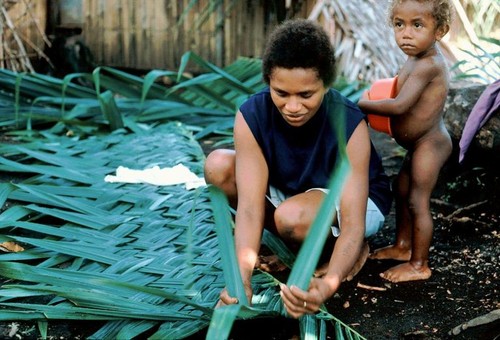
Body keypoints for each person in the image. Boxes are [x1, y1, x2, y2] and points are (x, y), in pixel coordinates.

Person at [204, 18, 392, 318]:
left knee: (291, 217)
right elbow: (251, 207)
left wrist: (327, 285)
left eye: (306, 95)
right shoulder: (252, 115)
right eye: (281, 93)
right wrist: (240, 280)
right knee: (218, 166)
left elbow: (354, 222)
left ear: (326, 85)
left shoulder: (349, 121)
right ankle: (290, 243)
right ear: (268, 82)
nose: (293, 106)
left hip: (355, 201)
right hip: (294, 191)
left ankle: (345, 254)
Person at [358, 0, 453, 283]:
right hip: (417, 143)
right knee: (401, 190)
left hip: (431, 143)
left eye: (417, 25)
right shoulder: (414, 59)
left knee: (416, 200)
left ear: (441, 30)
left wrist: (364, 104)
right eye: (399, 24)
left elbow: (400, 105)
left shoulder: (430, 64)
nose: (406, 34)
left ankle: (419, 264)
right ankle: (402, 246)